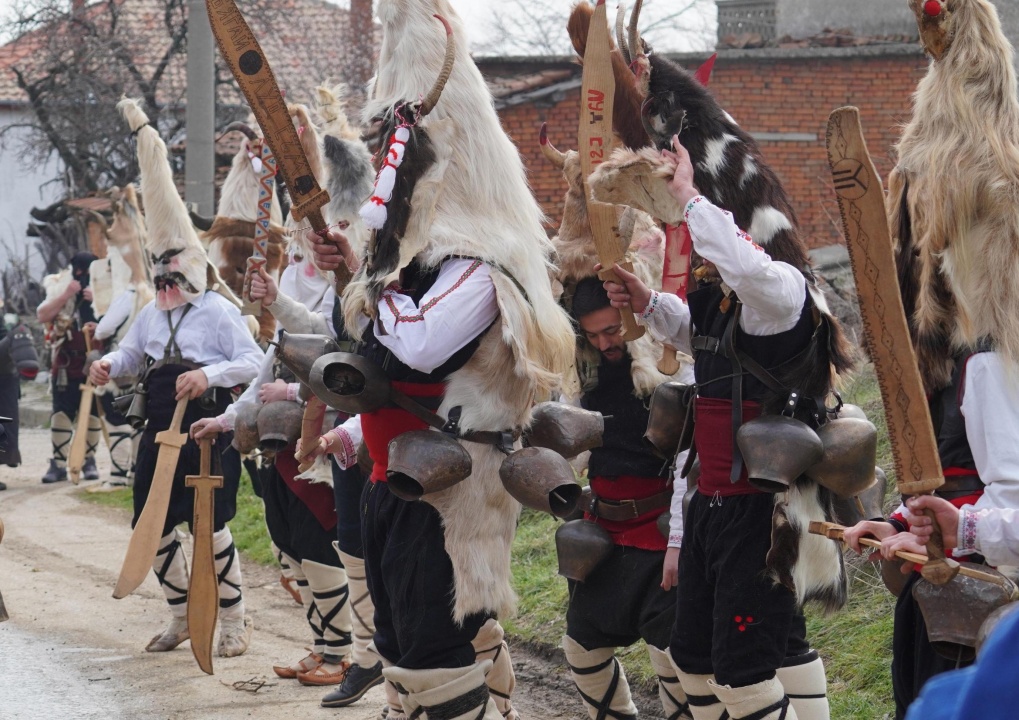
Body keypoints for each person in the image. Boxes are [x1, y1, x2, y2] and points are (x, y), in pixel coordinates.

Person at [602, 138, 845, 720]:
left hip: (761, 513)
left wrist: (689, 196)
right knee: (693, 661)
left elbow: (746, 268)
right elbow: (700, 337)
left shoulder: (782, 286)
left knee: (742, 674)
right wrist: (647, 300)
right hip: (710, 500)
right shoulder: (725, 296)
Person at [89, 97, 262, 657]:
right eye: (158, 268)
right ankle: (180, 614)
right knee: (153, 525)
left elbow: (254, 364)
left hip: (208, 427)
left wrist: (207, 373)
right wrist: (107, 365)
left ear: (189, 265)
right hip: (157, 430)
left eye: (171, 268)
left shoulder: (218, 310)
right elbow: (131, 358)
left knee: (208, 526)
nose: (163, 278)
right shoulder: (149, 313)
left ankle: (233, 624)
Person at [559, 277, 693, 720]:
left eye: (612, 330)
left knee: (673, 652)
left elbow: (689, 460)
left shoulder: (668, 369)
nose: (604, 343)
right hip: (603, 532)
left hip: (660, 530)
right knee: (581, 645)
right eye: (593, 335)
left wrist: (678, 538)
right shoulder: (584, 374)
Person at [37, 252, 102, 483]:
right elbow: (42, 314)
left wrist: (97, 300)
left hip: (95, 362)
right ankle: (58, 464)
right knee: (62, 415)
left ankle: (88, 460)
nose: (82, 275)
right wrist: (66, 295)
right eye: (79, 271)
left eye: (87, 271)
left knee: (93, 415)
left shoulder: (106, 288)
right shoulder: (60, 286)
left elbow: (117, 320)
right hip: (65, 363)